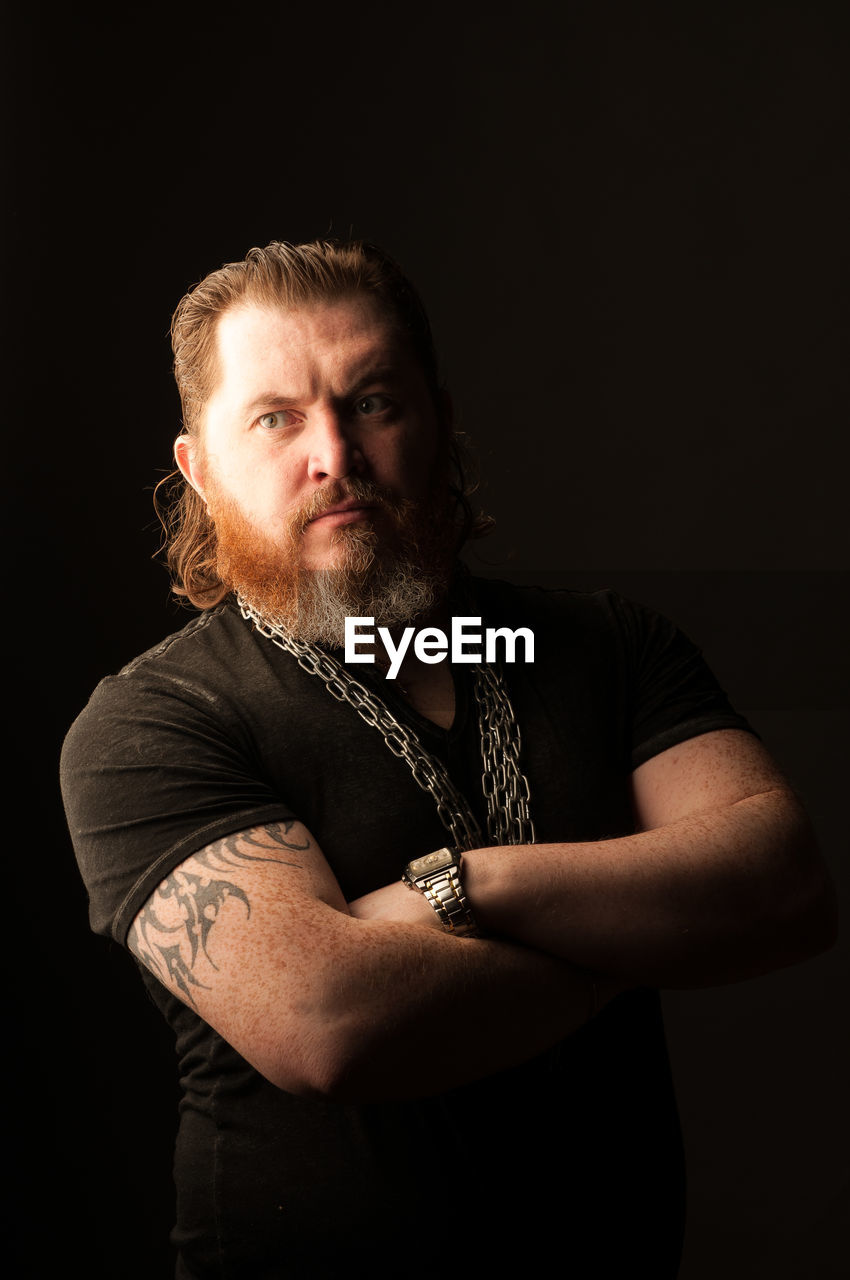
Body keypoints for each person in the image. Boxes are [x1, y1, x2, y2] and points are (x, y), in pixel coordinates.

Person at [60, 239, 836, 1279]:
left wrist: (462, 885)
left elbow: (782, 883)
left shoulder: (607, 646)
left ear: (436, 418)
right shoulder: (154, 720)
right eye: (276, 416)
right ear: (199, 465)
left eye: (372, 399)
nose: (334, 451)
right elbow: (327, 1022)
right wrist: (654, 923)